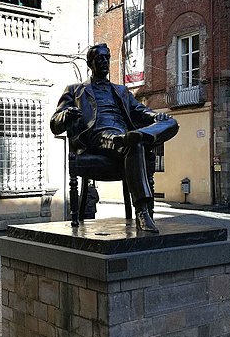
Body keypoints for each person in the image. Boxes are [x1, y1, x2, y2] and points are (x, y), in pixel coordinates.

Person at [50, 43, 179, 232]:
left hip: (124, 135)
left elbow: (140, 111)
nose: (103, 62)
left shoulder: (121, 91)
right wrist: (66, 114)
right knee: (133, 144)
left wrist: (155, 117)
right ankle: (142, 212)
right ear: (90, 63)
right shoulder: (75, 90)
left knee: (170, 123)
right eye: (99, 58)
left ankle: (139, 137)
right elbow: (54, 124)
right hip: (96, 136)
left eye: (106, 58)